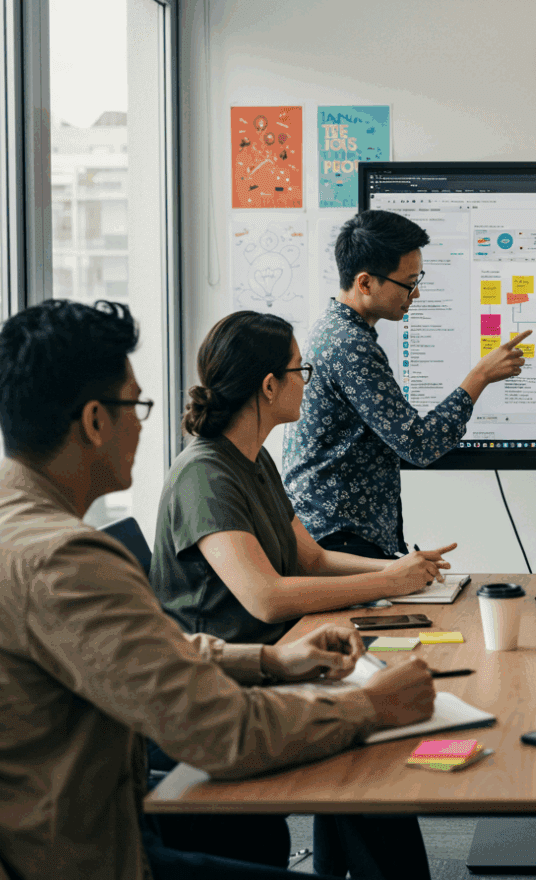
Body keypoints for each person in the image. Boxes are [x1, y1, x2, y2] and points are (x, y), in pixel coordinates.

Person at [0, 299, 436, 880]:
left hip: (78, 828)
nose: (143, 423)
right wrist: (369, 706)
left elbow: (143, 653)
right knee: (361, 749)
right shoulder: (65, 560)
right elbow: (225, 734)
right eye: (135, 405)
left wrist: (269, 659)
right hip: (93, 857)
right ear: (94, 421)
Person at [150, 310, 441, 878]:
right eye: (299, 369)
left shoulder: (256, 462)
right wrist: (386, 583)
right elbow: (264, 597)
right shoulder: (204, 476)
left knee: (378, 728)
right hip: (228, 680)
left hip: (282, 658)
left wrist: (399, 568)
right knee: (375, 735)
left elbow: (310, 558)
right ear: (268, 386)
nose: (308, 380)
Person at [283, 209, 530, 559]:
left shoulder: (338, 330)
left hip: (337, 530)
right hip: (339, 537)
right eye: (408, 283)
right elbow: (419, 444)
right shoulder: (349, 345)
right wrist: (480, 377)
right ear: (365, 283)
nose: (415, 294)